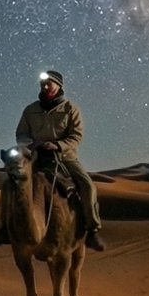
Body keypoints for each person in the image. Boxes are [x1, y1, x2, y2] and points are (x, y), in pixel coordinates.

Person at [8, 69, 103, 251]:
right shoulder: (30, 110)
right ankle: (6, 228)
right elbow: (21, 133)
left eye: (49, 83)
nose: (45, 86)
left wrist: (58, 145)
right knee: (11, 183)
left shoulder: (70, 109)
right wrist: (31, 144)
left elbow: (76, 136)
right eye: (43, 84)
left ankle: (92, 230)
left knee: (87, 185)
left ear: (59, 85)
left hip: (64, 157)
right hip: (35, 156)